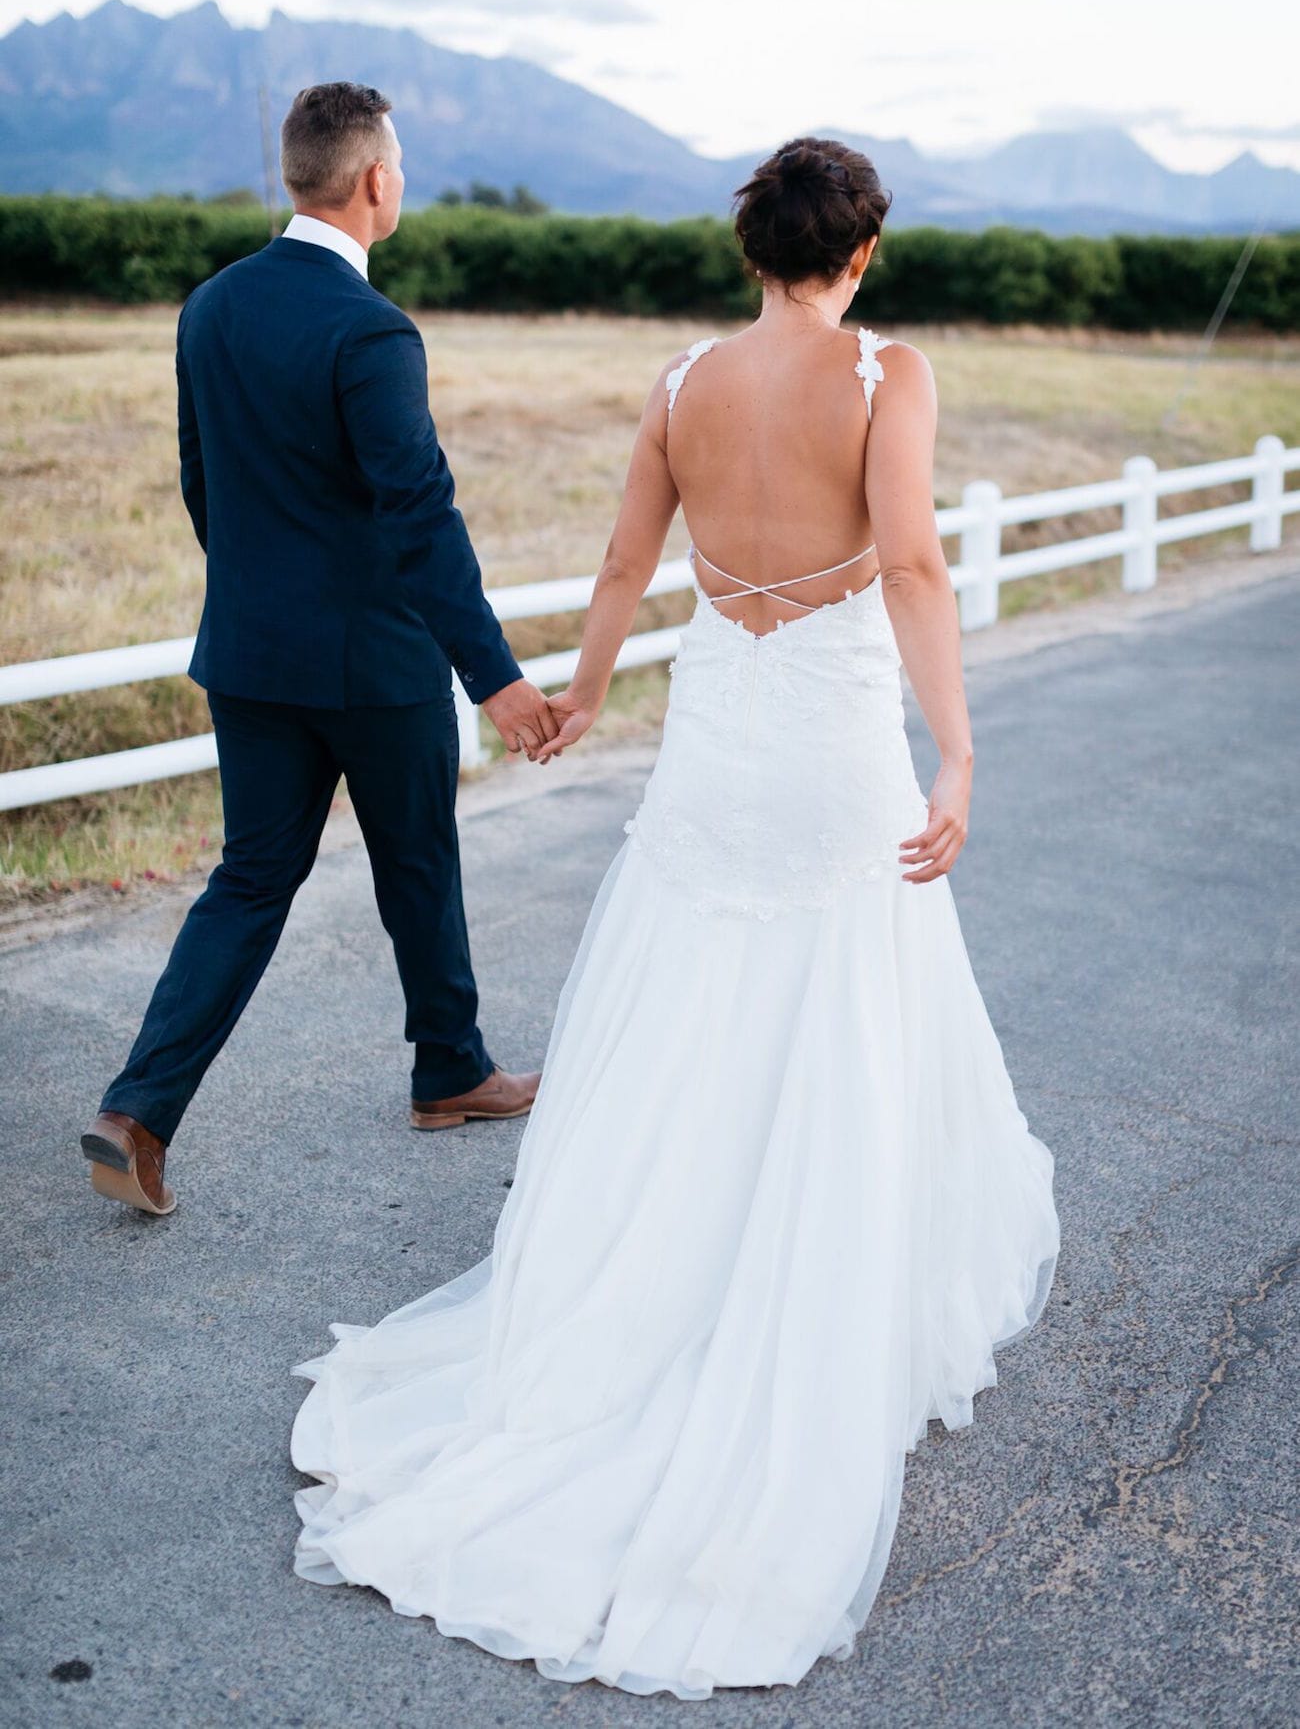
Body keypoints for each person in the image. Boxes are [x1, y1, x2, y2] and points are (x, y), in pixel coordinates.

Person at [289, 137, 1059, 1699]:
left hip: (717, 740)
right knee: (843, 1004)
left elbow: (633, 558)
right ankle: (803, 1306)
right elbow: (907, 556)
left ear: (751, 249)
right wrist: (959, 751)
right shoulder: (885, 375)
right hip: (833, 748)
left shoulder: (683, 378)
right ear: (864, 251)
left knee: (693, 999)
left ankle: (642, 1301)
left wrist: (575, 690)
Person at [81, 83, 556, 1218]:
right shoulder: (371, 329)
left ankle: (137, 1112)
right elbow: (420, 514)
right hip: (374, 665)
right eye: (400, 163)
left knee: (248, 881)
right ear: (374, 181)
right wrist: (494, 676)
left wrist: (262, 596)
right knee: (417, 861)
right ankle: (449, 1069)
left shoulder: (213, 305)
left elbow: (205, 483)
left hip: (249, 656)